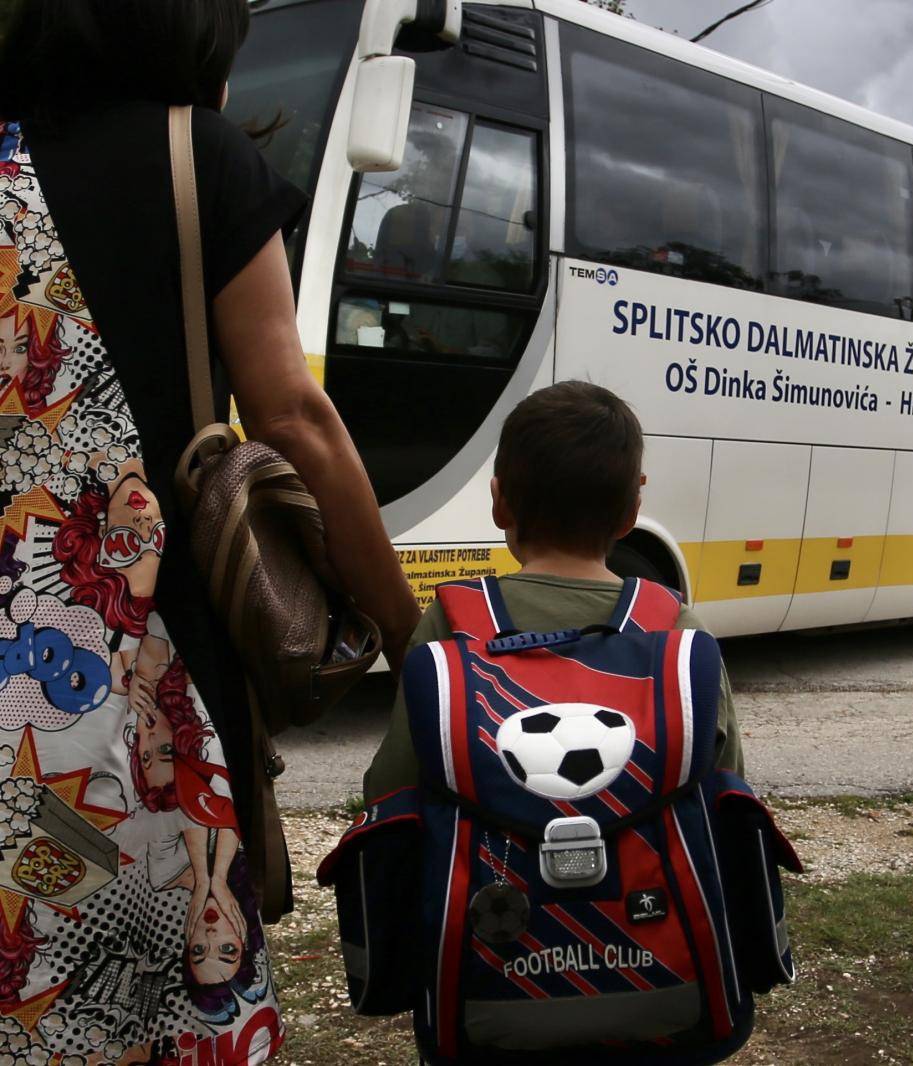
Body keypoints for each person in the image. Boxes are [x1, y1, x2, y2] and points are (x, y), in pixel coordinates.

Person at [0, 1, 420, 1061]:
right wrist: (407, 634)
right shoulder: (201, 158)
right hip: (156, 664)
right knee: (173, 984)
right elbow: (291, 414)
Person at [363, 381, 744, 804]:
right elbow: (727, 787)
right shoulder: (681, 631)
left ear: (499, 502)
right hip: (650, 871)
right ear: (631, 513)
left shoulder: (450, 622)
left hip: (489, 871)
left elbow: (391, 788)